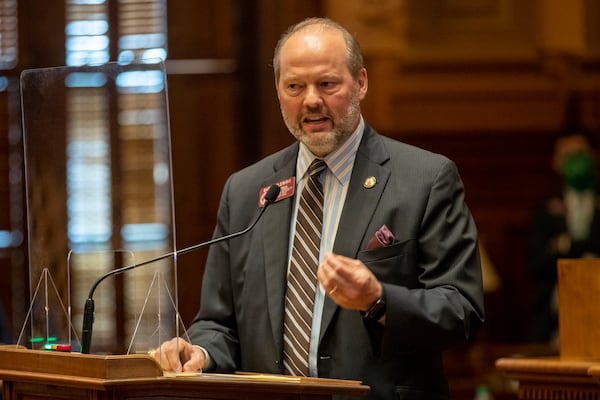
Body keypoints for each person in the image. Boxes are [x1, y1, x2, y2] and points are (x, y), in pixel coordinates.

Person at [152, 17, 484, 399]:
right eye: (295, 86)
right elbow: (218, 321)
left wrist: (379, 300)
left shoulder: (425, 179)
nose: (311, 100)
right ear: (278, 91)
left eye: (327, 84)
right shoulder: (245, 191)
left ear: (360, 82)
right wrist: (201, 353)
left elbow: (462, 310)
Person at [527, 130, 600, 344]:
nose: (575, 161)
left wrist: (566, 245)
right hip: (553, 323)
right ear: (556, 162)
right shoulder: (545, 210)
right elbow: (536, 263)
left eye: (580, 154)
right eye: (567, 156)